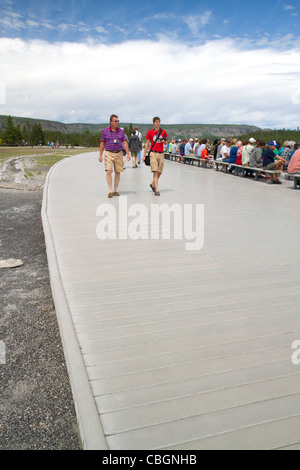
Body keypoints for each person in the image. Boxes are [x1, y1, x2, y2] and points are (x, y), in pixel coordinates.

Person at [99, 114, 130, 198]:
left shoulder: (121, 131)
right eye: (115, 121)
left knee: (118, 171)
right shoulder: (105, 131)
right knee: (108, 171)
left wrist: (128, 153)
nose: (117, 122)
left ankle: (115, 190)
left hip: (119, 153)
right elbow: (102, 143)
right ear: (111, 122)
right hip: (109, 153)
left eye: (118, 121)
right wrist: (100, 155)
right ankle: (110, 190)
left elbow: (125, 142)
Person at [143, 116, 168, 196]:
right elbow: (147, 144)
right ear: (153, 123)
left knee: (160, 171)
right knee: (155, 171)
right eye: (156, 122)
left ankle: (153, 184)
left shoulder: (163, 132)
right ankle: (156, 189)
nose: (158, 123)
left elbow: (166, 142)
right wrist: (144, 155)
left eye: (159, 122)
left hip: (161, 153)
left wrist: (164, 142)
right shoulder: (150, 132)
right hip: (153, 153)